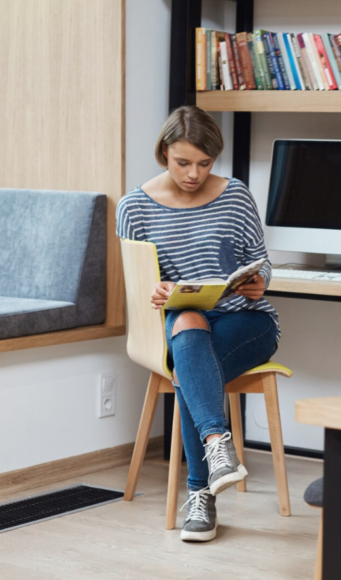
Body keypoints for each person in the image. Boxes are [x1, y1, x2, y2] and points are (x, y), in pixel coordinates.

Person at [117, 106, 279, 542]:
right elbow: (138, 289)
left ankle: (200, 491)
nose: (194, 174)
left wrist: (259, 283)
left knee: (192, 371)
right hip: (180, 324)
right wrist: (155, 293)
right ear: (163, 153)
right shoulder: (134, 208)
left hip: (246, 323)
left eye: (204, 164)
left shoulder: (235, 195)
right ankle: (216, 450)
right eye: (182, 162)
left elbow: (262, 263)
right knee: (189, 328)